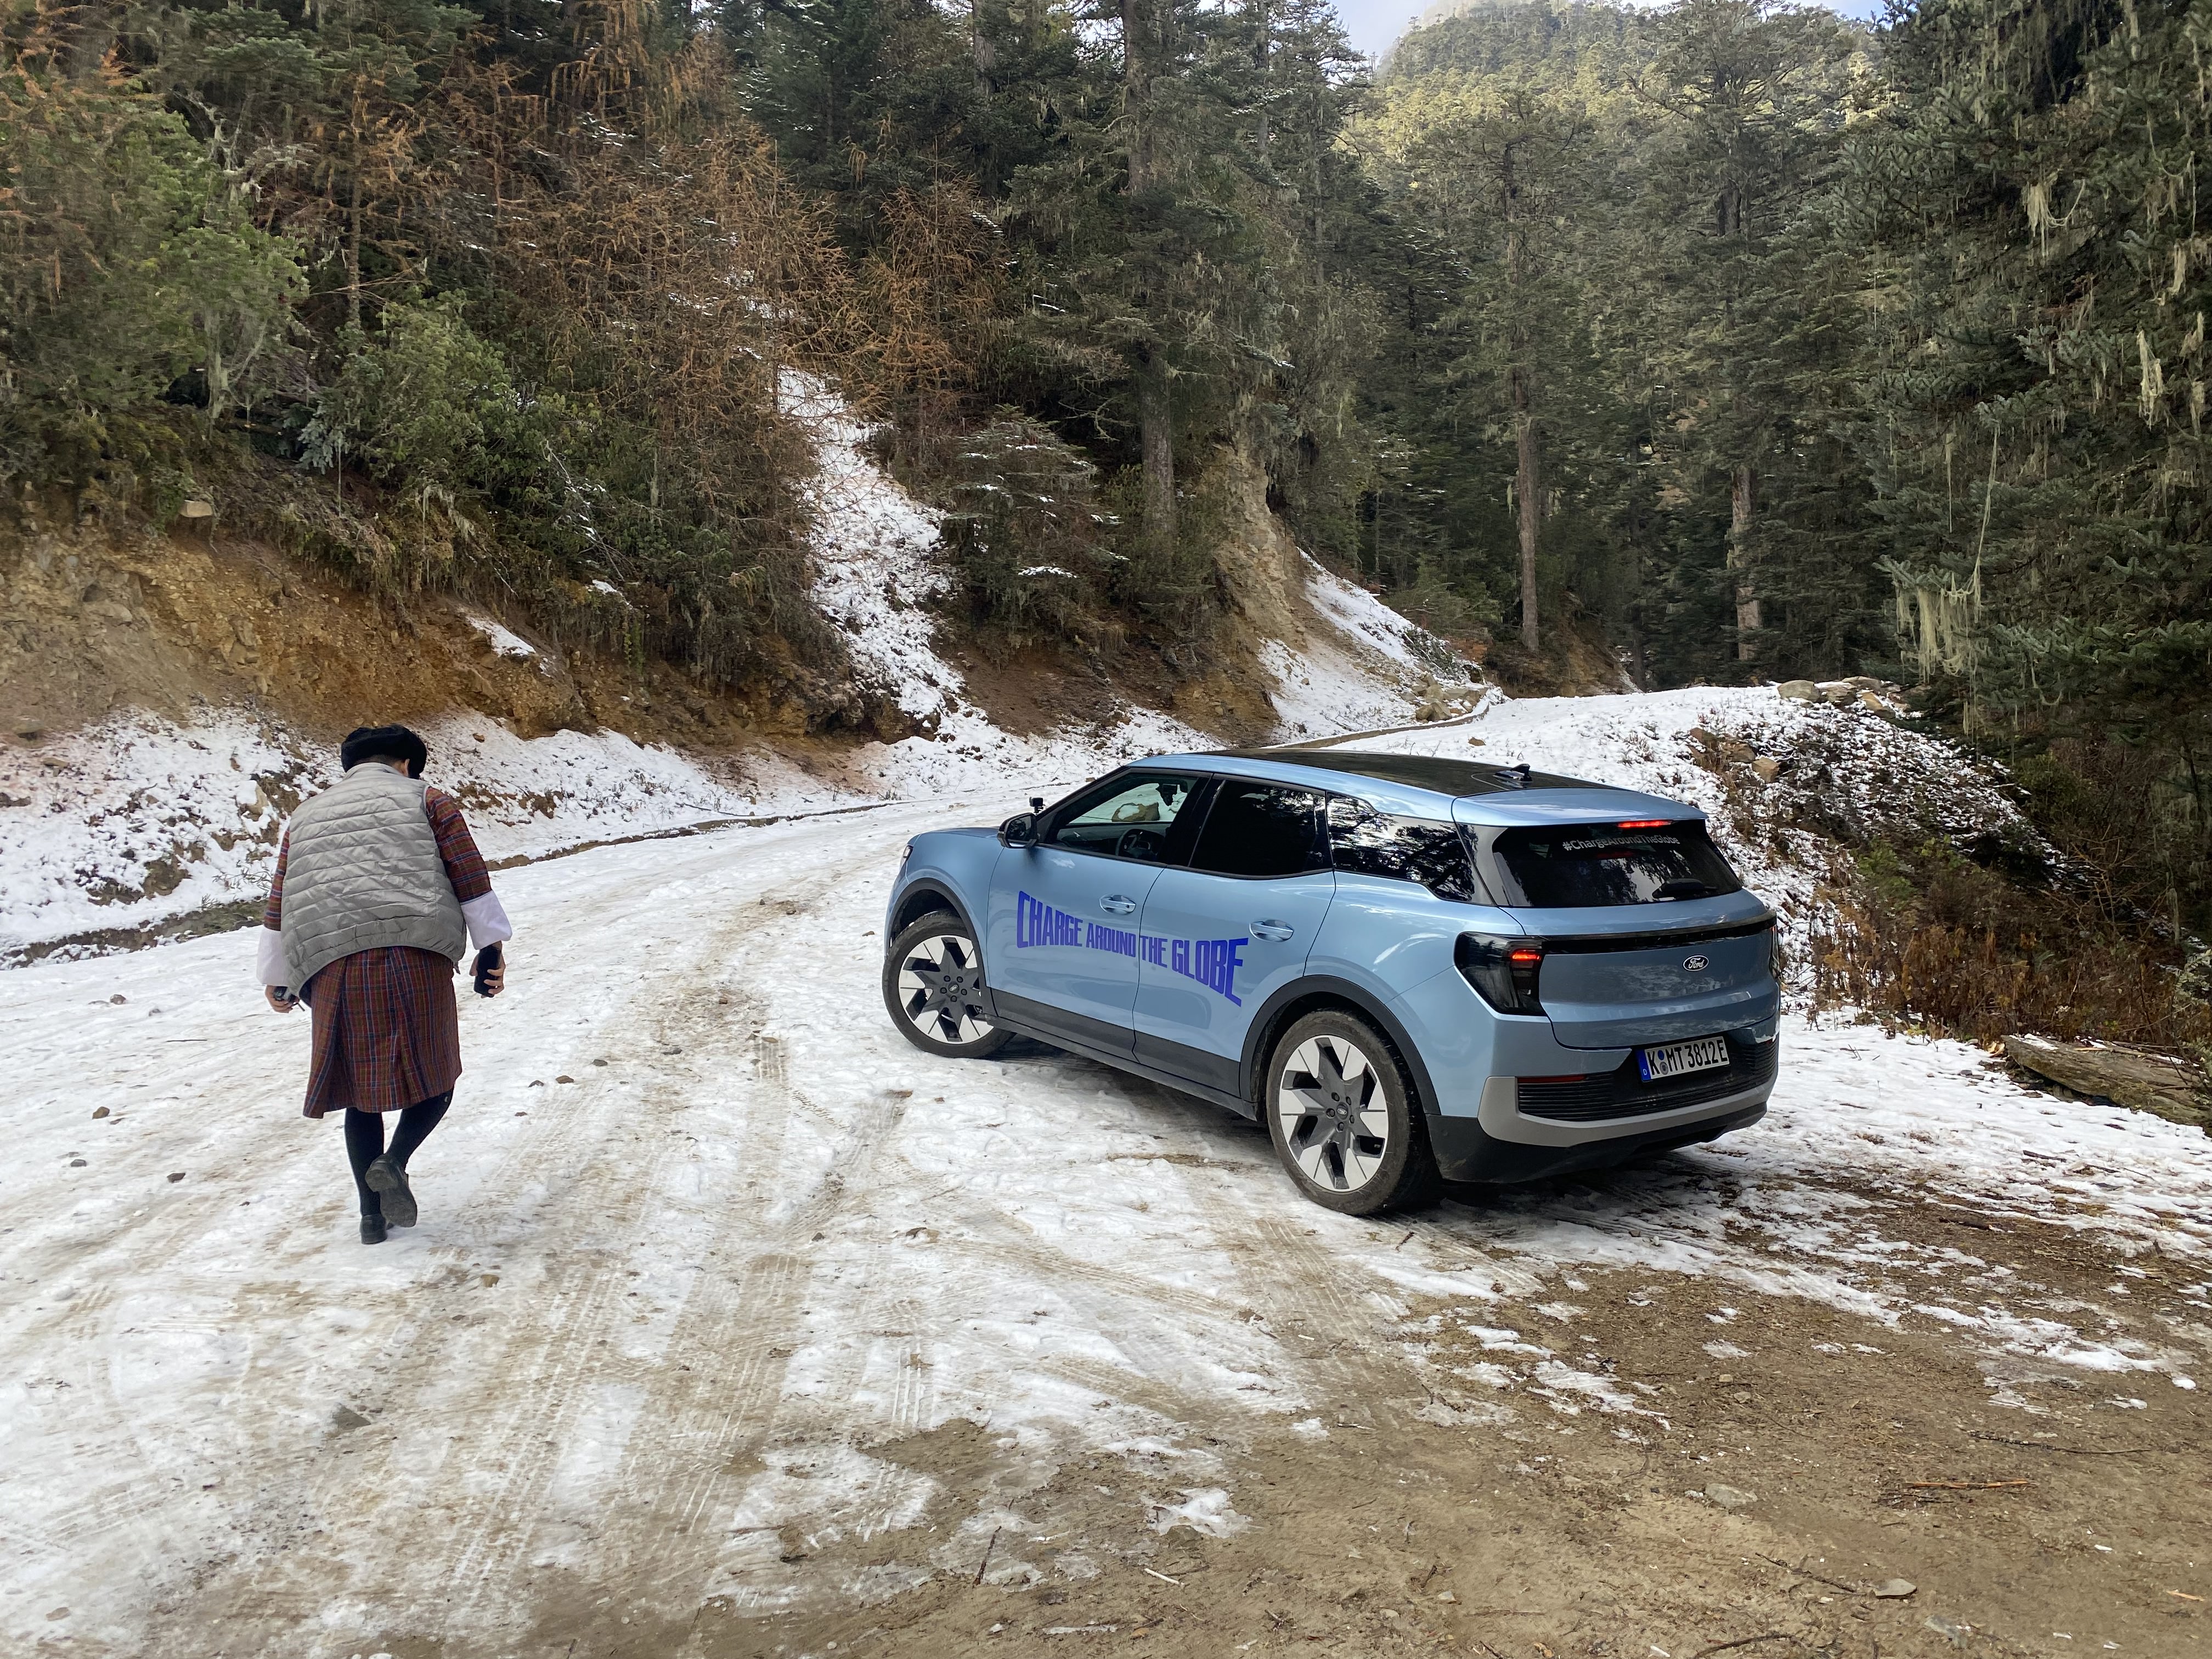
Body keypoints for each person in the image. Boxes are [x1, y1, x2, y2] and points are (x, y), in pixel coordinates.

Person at [257, 724, 513, 1244]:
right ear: (405, 765)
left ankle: (371, 1218)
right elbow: (469, 874)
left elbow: (281, 898)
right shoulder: (427, 799)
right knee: (438, 1075)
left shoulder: (304, 817)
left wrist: (277, 976)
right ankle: (394, 1162)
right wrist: (492, 949)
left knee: (360, 1094)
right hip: (414, 951)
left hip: (331, 963)